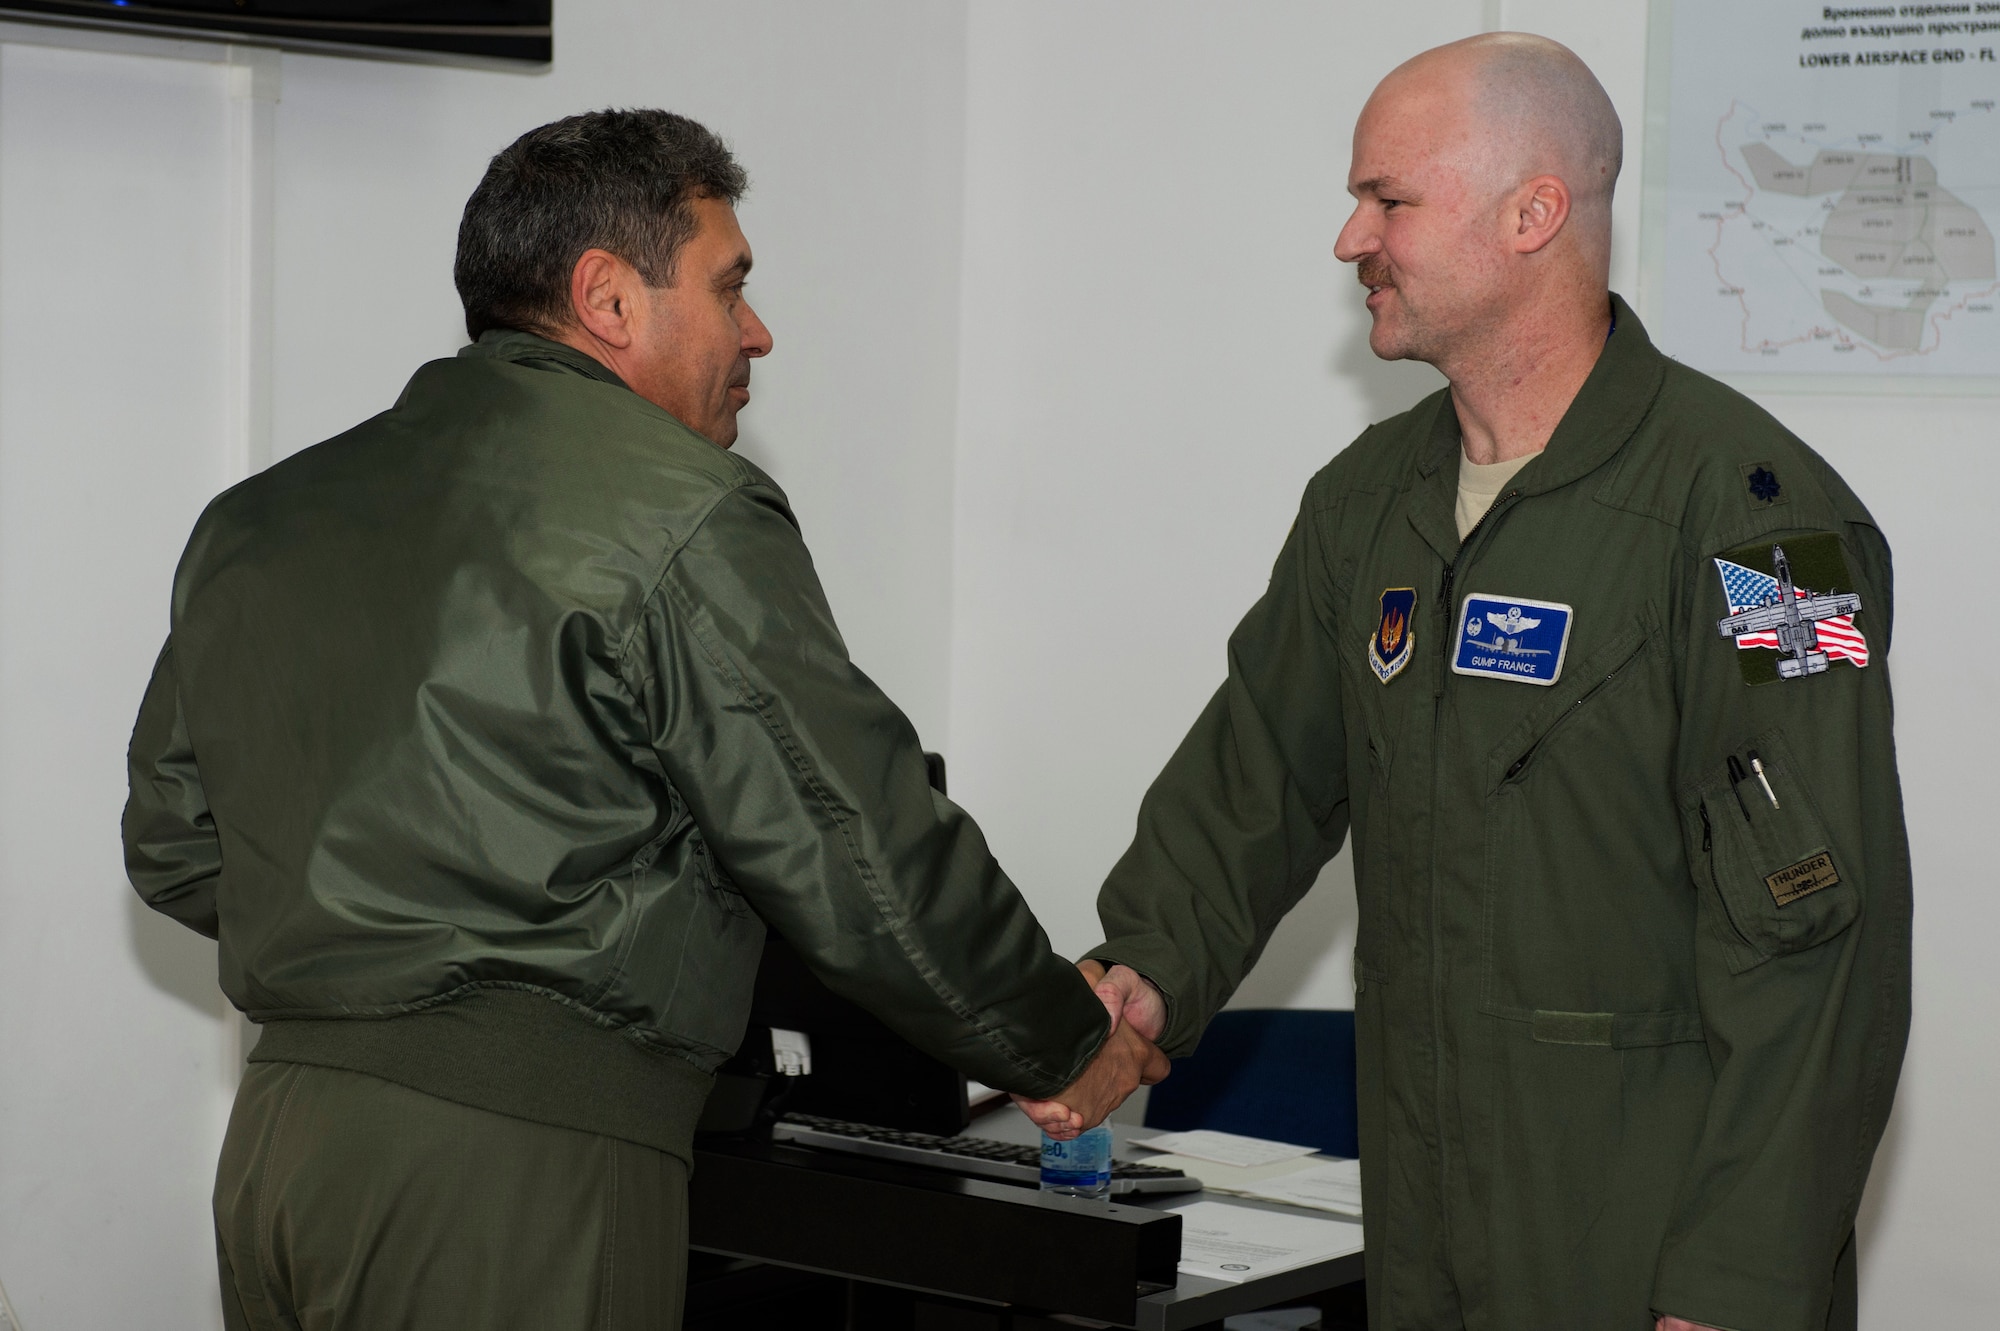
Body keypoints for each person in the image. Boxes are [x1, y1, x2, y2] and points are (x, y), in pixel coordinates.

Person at [123, 108, 1164, 1331]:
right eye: (731, 286)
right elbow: (852, 840)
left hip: (278, 1158)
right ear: (609, 298)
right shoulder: (676, 511)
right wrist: (1056, 1039)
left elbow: (177, 844)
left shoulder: (261, 520)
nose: (758, 331)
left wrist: (372, 943)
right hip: (518, 1170)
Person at [1021, 33, 1909, 1331]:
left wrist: (1736, 1285)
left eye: (1389, 199)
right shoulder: (1364, 503)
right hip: (1428, 1227)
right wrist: (1140, 975)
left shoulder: (1770, 526)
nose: (1349, 238)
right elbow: (1256, 775)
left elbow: (1823, 945)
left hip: (1650, 1244)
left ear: (1532, 213)